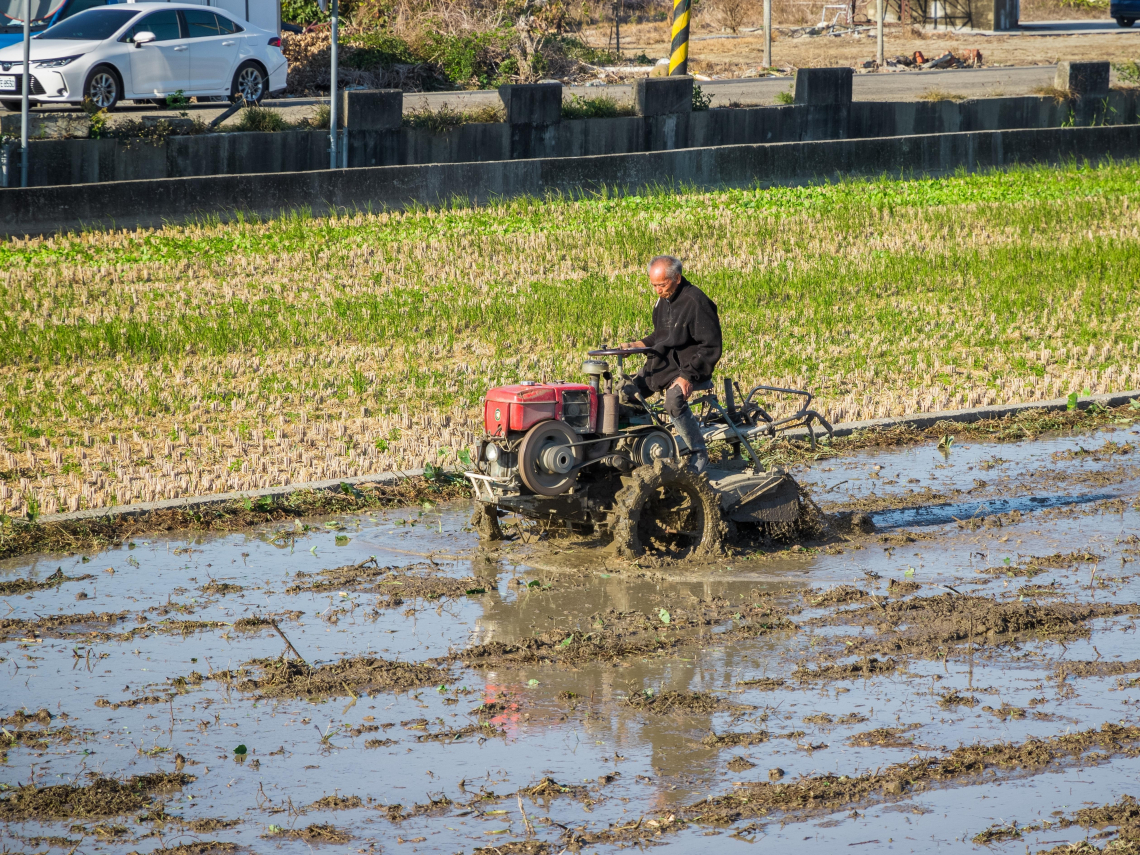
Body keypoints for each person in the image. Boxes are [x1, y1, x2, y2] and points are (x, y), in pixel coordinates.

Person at [620, 255, 722, 473]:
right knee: (626, 393)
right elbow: (661, 336)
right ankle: (636, 448)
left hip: (690, 367)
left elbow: (710, 346)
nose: (657, 290)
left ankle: (698, 452)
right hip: (665, 364)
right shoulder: (663, 300)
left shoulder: (696, 301)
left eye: (661, 285)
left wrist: (687, 377)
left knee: (673, 402)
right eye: (654, 285)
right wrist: (635, 345)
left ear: (677, 277)